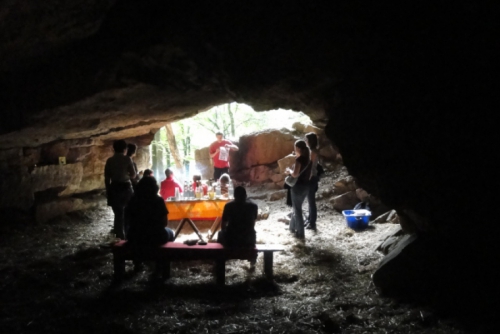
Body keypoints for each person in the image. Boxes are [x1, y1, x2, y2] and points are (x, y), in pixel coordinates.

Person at [125, 176, 175, 270]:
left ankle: (138, 263)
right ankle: (162, 263)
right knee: (171, 233)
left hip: (135, 235)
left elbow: (127, 220)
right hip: (155, 236)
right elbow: (164, 223)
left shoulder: (133, 200)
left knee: (137, 236)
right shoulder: (158, 200)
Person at [105, 140, 137, 239]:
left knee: (118, 214)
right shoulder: (127, 159)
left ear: (113, 149)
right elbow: (133, 175)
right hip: (126, 188)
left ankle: (119, 237)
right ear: (124, 149)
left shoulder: (109, 160)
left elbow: (107, 178)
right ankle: (129, 235)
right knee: (128, 212)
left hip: (114, 187)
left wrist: (108, 191)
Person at [285, 140, 312, 240]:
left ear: (299, 149)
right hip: (306, 186)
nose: (294, 149)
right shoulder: (308, 160)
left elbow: (295, 174)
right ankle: (292, 228)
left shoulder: (299, 160)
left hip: (298, 186)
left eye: (295, 147)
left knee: (298, 210)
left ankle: (300, 233)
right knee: (296, 208)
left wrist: (289, 171)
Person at [217, 186, 258, 250]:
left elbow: (223, 224)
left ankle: (221, 257)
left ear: (234, 196)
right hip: (248, 240)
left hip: (232, 240)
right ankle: (253, 257)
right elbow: (253, 224)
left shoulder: (228, 206)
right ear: (246, 195)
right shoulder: (253, 206)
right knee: (252, 232)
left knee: (220, 233)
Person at [305, 132, 319, 231]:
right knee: (310, 201)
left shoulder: (313, 152)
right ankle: (310, 219)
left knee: (311, 201)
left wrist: (307, 179)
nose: (305, 141)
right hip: (312, 177)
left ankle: (312, 222)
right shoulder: (312, 150)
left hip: (311, 178)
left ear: (310, 141)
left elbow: (310, 167)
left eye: (306, 140)